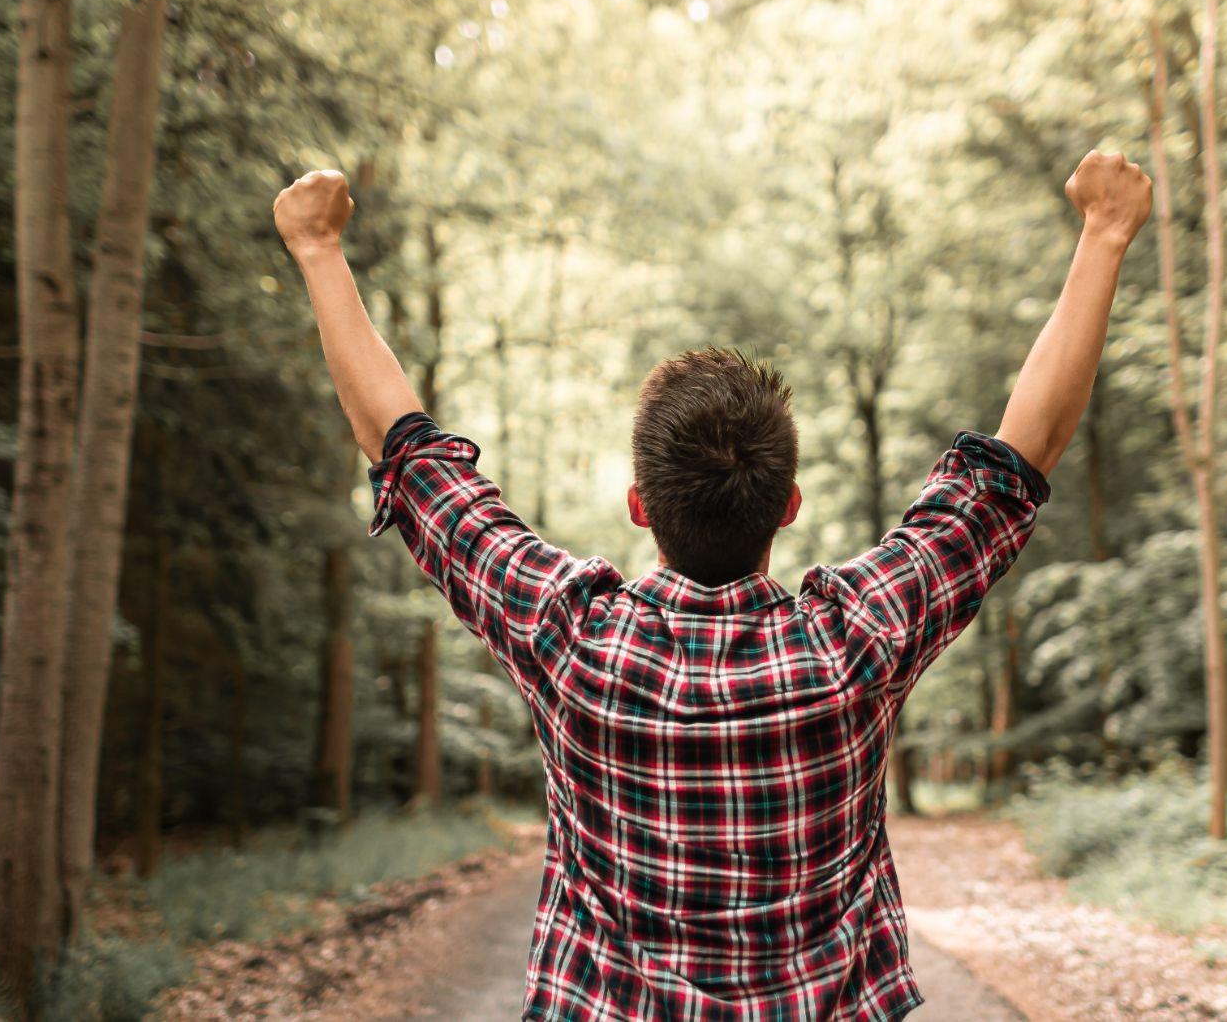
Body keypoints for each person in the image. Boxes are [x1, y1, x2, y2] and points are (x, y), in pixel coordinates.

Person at [273, 149, 1153, 1021]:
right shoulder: (860, 641)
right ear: (788, 506)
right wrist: (1105, 234)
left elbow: (408, 454)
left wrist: (319, 252)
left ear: (638, 506)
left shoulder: (570, 637)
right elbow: (1019, 456)